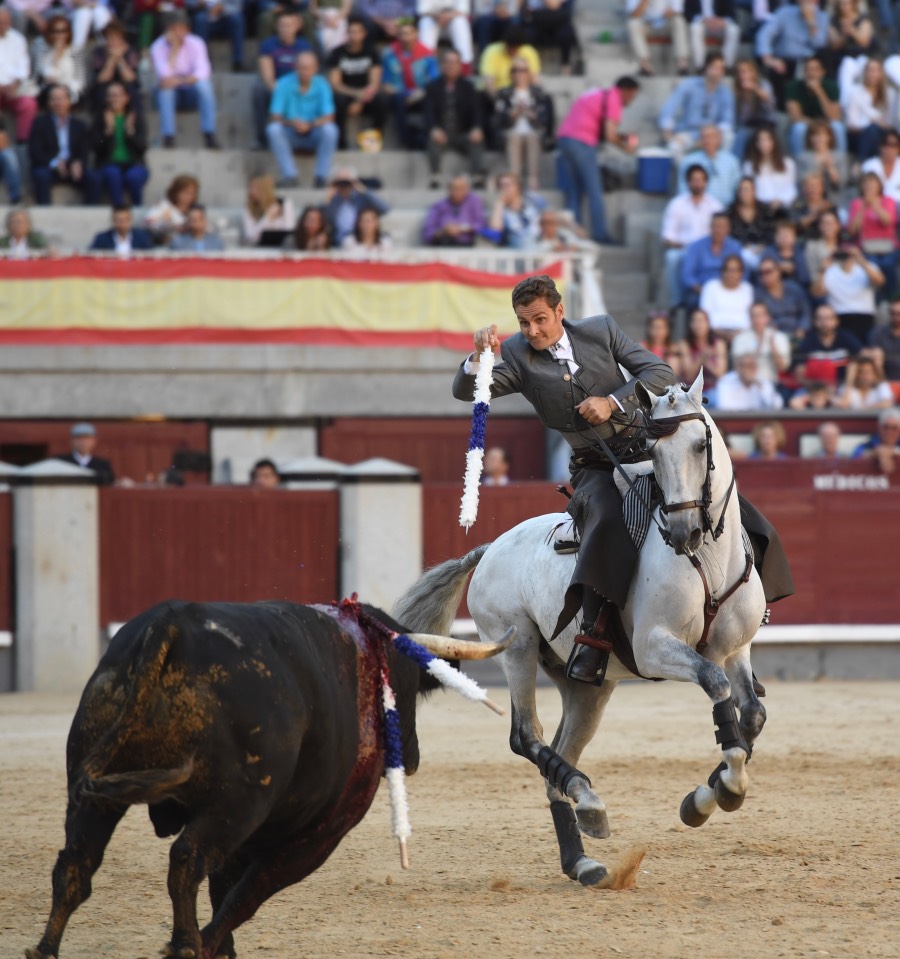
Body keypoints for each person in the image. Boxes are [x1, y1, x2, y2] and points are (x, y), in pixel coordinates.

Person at [452, 274, 677, 682]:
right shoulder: (519, 356)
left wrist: (612, 401)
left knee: (720, 504)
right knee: (606, 522)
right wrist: (477, 359)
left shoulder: (601, 330)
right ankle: (593, 637)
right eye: (523, 323)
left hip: (649, 450)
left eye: (540, 319)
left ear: (560, 311)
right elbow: (471, 392)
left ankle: (747, 607)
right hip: (594, 466)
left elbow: (661, 374)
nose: (532, 331)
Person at [556, 76, 640, 246]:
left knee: (574, 191)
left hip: (564, 138)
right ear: (626, 90)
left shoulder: (597, 92)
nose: (631, 101)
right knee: (595, 191)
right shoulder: (615, 98)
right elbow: (610, 135)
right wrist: (626, 148)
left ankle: (573, 237)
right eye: (632, 96)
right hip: (582, 143)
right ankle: (600, 234)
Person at [267, 50, 339, 188]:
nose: (304, 72)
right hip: (291, 131)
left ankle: (321, 177)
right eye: (301, 67)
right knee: (273, 129)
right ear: (295, 67)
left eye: (308, 68)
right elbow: (274, 116)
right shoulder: (283, 83)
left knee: (330, 130)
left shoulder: (322, 84)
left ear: (316, 69)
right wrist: (292, 122)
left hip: (314, 132)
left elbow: (329, 116)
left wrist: (310, 125)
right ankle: (290, 176)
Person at [150, 10, 220, 149]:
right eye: (173, 28)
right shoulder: (157, 46)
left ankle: (209, 133)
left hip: (190, 92)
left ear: (187, 29)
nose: (177, 32)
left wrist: (180, 81)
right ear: (167, 30)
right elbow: (164, 76)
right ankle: (168, 136)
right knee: (166, 90)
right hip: (169, 94)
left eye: (180, 28)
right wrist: (174, 50)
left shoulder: (197, 43)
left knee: (205, 86)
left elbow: (203, 72)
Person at [660, 164, 722, 310]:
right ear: (687, 182)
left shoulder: (715, 206)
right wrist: (688, 247)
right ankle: (677, 301)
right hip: (684, 249)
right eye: (694, 180)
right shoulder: (677, 204)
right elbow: (667, 238)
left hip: (709, 249)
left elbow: (721, 231)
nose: (697, 183)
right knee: (672, 257)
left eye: (701, 180)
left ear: (706, 182)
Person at [423, 48, 486, 190]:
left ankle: (477, 176)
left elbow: (477, 111)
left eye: (454, 62)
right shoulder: (432, 87)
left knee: (477, 139)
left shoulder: (469, 87)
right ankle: (435, 175)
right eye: (447, 62)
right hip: (442, 132)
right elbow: (428, 112)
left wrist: (476, 128)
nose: (450, 66)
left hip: (462, 132)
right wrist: (434, 128)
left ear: (459, 66)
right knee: (432, 138)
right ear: (441, 65)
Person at [28, 83, 99, 205]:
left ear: (69, 101)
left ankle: (90, 211)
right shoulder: (40, 123)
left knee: (94, 178)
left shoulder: (79, 125)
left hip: (71, 167)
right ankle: (45, 212)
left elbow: (83, 150)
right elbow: (35, 151)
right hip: (50, 166)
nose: (58, 103)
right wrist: (55, 163)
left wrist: (77, 163)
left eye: (62, 98)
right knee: (40, 175)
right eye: (54, 99)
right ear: (49, 103)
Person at [252, 7, 312, 149]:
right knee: (259, 90)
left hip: (299, 87)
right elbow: (267, 76)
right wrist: (281, 93)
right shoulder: (268, 45)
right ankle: (262, 139)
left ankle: (306, 135)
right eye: (282, 25)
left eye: (290, 25)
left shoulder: (305, 46)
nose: (286, 29)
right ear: (276, 26)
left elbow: (308, 73)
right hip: (277, 87)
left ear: (297, 26)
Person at [491, 57, 553, 191]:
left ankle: (533, 179)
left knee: (532, 136)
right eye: (515, 70)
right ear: (511, 74)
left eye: (523, 70)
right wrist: (513, 114)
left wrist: (532, 116)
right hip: (511, 132)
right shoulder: (504, 93)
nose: (519, 73)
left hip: (533, 132)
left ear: (529, 73)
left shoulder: (539, 93)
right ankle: (514, 179)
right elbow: (498, 120)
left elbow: (546, 119)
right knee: (514, 137)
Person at [658, 51, 734, 158]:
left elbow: (727, 120)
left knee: (728, 136)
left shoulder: (725, 92)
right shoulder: (689, 85)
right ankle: (685, 173)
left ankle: (720, 171)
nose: (718, 72)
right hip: (689, 133)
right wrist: (668, 131)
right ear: (706, 68)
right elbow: (669, 107)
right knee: (673, 147)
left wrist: (712, 134)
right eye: (715, 68)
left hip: (712, 134)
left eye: (721, 69)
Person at [756, 0, 829, 110]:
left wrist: (811, 22)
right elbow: (764, 35)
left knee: (815, 66)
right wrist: (769, 59)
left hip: (808, 61)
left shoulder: (823, 17)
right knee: (776, 72)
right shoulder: (784, 13)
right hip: (783, 60)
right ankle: (781, 112)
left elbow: (819, 44)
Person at [327, 15, 386, 149]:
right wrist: (356, 94)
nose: (353, 36)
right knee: (337, 100)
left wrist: (360, 100)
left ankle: (372, 139)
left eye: (356, 32)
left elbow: (375, 83)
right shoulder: (337, 53)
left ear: (364, 34)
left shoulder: (372, 52)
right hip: (346, 93)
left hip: (366, 95)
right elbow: (335, 84)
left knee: (382, 101)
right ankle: (340, 142)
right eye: (350, 32)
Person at [380, 17, 438, 149]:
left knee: (431, 99)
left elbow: (435, 83)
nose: (404, 37)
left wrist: (420, 93)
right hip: (398, 96)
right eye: (401, 33)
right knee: (396, 99)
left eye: (408, 33)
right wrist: (401, 94)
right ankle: (405, 140)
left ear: (416, 34)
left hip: (421, 94)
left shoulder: (428, 54)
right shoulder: (389, 53)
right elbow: (384, 83)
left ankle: (425, 138)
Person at [89, 81, 149, 206]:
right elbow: (96, 146)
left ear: (126, 98)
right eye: (110, 95)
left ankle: (137, 208)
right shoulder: (100, 119)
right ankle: (118, 208)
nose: (113, 99)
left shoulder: (136, 118)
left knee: (134, 177)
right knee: (112, 173)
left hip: (134, 163)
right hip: (108, 163)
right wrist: (108, 131)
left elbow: (142, 147)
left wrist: (130, 132)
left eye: (117, 95)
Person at [847, 171, 899, 300]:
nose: (869, 186)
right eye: (866, 183)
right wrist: (864, 206)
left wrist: (874, 204)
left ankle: (893, 297)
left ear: (879, 186)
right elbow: (852, 230)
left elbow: (888, 221)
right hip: (866, 247)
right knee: (873, 265)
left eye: (872, 183)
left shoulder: (888, 201)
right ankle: (878, 299)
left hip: (888, 246)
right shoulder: (856, 203)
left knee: (887, 263)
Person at [785, 54, 845, 158]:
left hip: (827, 124)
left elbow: (834, 116)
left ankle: (839, 161)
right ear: (804, 72)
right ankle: (801, 161)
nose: (811, 73)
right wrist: (816, 125)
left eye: (815, 70)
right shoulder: (793, 86)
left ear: (822, 72)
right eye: (808, 70)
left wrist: (819, 91)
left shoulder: (831, 86)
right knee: (799, 128)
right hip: (807, 124)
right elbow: (795, 117)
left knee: (837, 127)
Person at [821, 243, 884, 342]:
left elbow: (880, 281)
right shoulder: (830, 270)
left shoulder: (868, 267)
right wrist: (823, 269)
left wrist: (862, 261)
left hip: (864, 315)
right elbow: (817, 293)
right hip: (839, 316)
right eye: (844, 253)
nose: (847, 256)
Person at [681, 210, 743, 310]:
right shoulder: (696, 247)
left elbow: (742, 272)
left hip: (729, 289)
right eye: (716, 226)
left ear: (728, 229)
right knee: (693, 300)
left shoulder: (735, 247)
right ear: (710, 227)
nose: (719, 230)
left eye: (723, 227)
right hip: (702, 291)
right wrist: (702, 290)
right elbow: (687, 275)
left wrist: (730, 289)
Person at [792, 302, 863, 389]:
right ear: (814, 322)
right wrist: (820, 389)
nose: (824, 323)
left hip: (844, 387)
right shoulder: (808, 342)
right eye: (820, 319)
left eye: (828, 319)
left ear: (836, 321)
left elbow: (861, 358)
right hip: (815, 390)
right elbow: (800, 374)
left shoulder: (846, 338)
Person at [677, 124, 741, 207]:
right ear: (700, 140)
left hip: (726, 210)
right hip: (697, 209)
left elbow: (737, 187)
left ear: (719, 139)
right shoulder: (688, 162)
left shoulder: (732, 161)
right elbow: (682, 190)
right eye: (704, 137)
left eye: (712, 136)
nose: (708, 140)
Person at [0, 5, 38, 144]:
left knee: (29, 105)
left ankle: (23, 142)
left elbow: (24, 67)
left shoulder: (18, 39)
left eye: (5, 22)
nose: (3, 25)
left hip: (13, 89)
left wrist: (15, 83)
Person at [322, 164, 389, 243]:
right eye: (340, 182)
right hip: (336, 240)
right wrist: (328, 198)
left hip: (357, 241)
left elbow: (384, 208)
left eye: (347, 182)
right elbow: (321, 219)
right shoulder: (333, 201)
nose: (344, 186)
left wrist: (363, 190)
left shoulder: (361, 198)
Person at [731, 300, 792, 386]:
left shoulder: (780, 337)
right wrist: (759, 346)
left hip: (772, 384)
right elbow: (737, 366)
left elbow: (783, 367)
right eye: (753, 316)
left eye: (760, 315)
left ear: (768, 317)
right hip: (746, 384)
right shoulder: (740, 338)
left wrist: (772, 345)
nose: (757, 319)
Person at [31, 14, 85, 106]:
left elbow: (80, 79)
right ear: (50, 32)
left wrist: (67, 90)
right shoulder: (41, 47)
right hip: (47, 90)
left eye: (64, 31)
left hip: (70, 91)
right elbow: (43, 77)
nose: (60, 35)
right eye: (56, 31)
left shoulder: (75, 50)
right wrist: (56, 57)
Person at [625, 0, 689, 77]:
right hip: (647, 25)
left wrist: (665, 13)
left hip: (666, 23)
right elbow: (635, 15)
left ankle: (682, 65)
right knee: (633, 24)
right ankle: (645, 66)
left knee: (679, 21)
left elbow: (676, 10)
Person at [673, 306, 727, 395]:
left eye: (701, 321)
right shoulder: (684, 345)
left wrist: (707, 363)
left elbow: (720, 375)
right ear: (690, 324)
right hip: (690, 390)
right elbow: (689, 376)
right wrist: (700, 358)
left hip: (713, 389)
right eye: (695, 321)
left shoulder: (718, 344)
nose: (698, 325)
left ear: (708, 324)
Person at [87, 18, 140, 110]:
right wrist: (111, 60)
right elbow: (101, 79)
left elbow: (131, 77)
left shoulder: (131, 51)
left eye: (115, 37)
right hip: (106, 84)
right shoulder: (99, 52)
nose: (112, 41)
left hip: (125, 84)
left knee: (131, 90)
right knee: (101, 91)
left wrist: (120, 59)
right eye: (108, 37)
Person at [845, 57, 891, 162]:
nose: (873, 74)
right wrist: (871, 122)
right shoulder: (855, 93)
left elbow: (890, 123)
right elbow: (852, 124)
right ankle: (862, 162)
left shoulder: (888, 94)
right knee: (872, 130)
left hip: (883, 134)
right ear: (865, 73)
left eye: (876, 70)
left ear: (881, 73)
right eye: (870, 70)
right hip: (859, 134)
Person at [742, 126, 797, 212]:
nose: (764, 143)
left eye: (768, 140)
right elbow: (749, 189)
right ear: (756, 144)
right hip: (760, 208)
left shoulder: (788, 164)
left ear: (774, 142)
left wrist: (781, 201)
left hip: (782, 207)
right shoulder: (749, 166)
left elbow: (791, 188)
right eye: (761, 140)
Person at [754, 255, 811, 339]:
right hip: (773, 337)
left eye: (768, 272)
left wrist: (802, 328)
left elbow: (806, 312)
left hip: (798, 334)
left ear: (778, 271)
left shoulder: (794, 288)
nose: (764, 276)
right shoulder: (758, 294)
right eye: (761, 273)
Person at [732, 57, 777, 161]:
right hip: (746, 126)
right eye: (739, 72)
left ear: (753, 72)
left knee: (747, 134)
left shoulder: (763, 84)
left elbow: (771, 107)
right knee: (740, 134)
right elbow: (742, 119)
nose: (742, 75)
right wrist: (745, 97)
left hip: (765, 123)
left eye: (745, 71)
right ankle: (736, 166)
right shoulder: (736, 90)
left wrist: (755, 90)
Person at [422, 172, 485, 246]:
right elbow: (428, 233)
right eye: (455, 188)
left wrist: (461, 228)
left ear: (467, 189)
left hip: (465, 244)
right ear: (449, 190)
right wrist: (444, 231)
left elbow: (480, 225)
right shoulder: (439, 205)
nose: (458, 192)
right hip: (443, 243)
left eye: (462, 188)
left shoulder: (474, 202)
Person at [478, 23, 541, 97]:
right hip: (496, 94)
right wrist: (500, 102)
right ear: (504, 43)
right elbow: (489, 82)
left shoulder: (529, 52)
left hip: (521, 95)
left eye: (516, 47)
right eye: (510, 47)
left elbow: (535, 80)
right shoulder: (491, 51)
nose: (513, 50)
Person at [487, 169, 545, 249]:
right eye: (501, 186)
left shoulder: (533, 200)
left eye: (507, 185)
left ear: (517, 186)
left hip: (538, 247)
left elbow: (548, 218)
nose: (504, 189)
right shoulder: (501, 209)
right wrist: (500, 203)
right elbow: (495, 228)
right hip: (514, 252)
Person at [699, 253, 754, 336]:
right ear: (722, 272)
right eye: (729, 270)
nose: (732, 274)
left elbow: (751, 317)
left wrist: (739, 334)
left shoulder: (748, 289)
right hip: (714, 334)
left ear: (741, 273)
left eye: (736, 270)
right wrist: (721, 333)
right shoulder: (710, 287)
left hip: (742, 335)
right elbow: (704, 316)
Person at [519, 0, 577, 75]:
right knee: (529, 33)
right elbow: (529, 12)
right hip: (539, 23)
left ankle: (565, 64)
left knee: (567, 32)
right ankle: (529, 64)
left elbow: (562, 10)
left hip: (558, 21)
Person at [728, 175, 774, 267]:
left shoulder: (764, 210)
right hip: (740, 251)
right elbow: (729, 235)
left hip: (762, 250)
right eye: (741, 190)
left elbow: (771, 231)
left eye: (746, 190)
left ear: (754, 191)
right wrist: (744, 246)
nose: (743, 193)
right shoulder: (731, 211)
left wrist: (762, 245)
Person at [683, 0, 740, 73]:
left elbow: (732, 14)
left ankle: (727, 66)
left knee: (733, 30)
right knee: (695, 28)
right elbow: (688, 14)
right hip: (702, 24)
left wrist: (722, 21)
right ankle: (700, 66)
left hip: (720, 25)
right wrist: (703, 20)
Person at [417, 0, 473, 72]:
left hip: (453, 21)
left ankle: (465, 67)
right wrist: (438, 16)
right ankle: (427, 67)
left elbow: (463, 10)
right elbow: (423, 10)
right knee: (425, 22)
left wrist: (447, 16)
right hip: (434, 20)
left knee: (460, 22)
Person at [143, 172, 199, 244]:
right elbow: (147, 224)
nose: (189, 197)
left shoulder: (196, 209)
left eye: (192, 193)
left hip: (189, 245)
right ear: (176, 192)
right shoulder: (164, 206)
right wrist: (164, 221)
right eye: (186, 193)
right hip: (166, 244)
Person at [190, 0, 245, 72]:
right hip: (206, 19)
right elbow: (189, 3)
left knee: (237, 18)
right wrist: (200, 4)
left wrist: (222, 9)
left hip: (226, 19)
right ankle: (203, 61)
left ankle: (237, 61)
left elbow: (238, 5)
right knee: (200, 19)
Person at [716, 352, 784, 410]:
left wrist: (763, 390)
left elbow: (777, 405)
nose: (750, 370)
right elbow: (724, 406)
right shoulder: (726, 382)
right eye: (746, 366)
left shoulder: (762, 382)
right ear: (738, 368)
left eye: (752, 366)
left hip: (759, 422)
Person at [242, 173, 295, 246]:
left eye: (255, 188)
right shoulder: (249, 208)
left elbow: (288, 233)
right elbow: (251, 236)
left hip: (281, 249)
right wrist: (267, 217)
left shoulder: (285, 204)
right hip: (260, 250)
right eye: (250, 188)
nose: (251, 192)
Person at [796, 121, 846, 195]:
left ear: (829, 137)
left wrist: (830, 168)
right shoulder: (803, 158)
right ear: (809, 138)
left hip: (834, 198)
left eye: (822, 135)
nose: (819, 139)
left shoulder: (839, 157)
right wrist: (818, 171)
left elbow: (843, 184)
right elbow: (800, 182)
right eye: (815, 135)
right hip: (810, 198)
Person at [761, 218, 810, 289]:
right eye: (780, 235)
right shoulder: (768, 251)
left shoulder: (800, 252)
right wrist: (778, 267)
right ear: (775, 237)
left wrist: (795, 268)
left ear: (794, 237)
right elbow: (764, 274)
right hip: (773, 289)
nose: (784, 238)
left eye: (787, 235)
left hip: (797, 290)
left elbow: (805, 279)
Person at [852, 405, 900, 473]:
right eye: (886, 427)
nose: (889, 431)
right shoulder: (868, 444)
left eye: (894, 428)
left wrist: (892, 452)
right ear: (879, 428)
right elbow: (855, 458)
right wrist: (875, 453)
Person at [89, 203, 154, 253]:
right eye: (118, 220)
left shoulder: (141, 237)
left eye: (124, 220)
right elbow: (90, 256)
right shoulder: (102, 238)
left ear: (130, 220)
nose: (122, 224)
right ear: (113, 221)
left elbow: (150, 257)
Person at [805, 208, 843, 289]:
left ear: (838, 225)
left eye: (831, 223)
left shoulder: (845, 246)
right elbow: (812, 275)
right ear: (820, 226)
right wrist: (823, 270)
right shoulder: (812, 246)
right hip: (822, 287)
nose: (828, 226)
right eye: (825, 223)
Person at [862, 127, 900, 205]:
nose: (889, 149)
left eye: (894, 145)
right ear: (880, 146)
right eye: (886, 144)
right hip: (876, 207)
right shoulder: (869, 165)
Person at [869, 298, 900, 390]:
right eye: (893, 313)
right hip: (884, 380)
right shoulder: (878, 333)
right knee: (875, 353)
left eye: (899, 314)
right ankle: (884, 388)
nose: (896, 317)